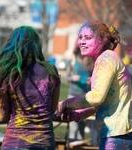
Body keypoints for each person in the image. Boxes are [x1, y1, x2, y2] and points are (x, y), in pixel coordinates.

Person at [57, 20, 132, 150]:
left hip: (117, 135)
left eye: (88, 37)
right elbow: (105, 102)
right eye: (80, 37)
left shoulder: (106, 59)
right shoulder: (106, 58)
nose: (82, 42)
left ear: (102, 40)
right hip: (117, 133)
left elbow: (97, 97)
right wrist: (79, 114)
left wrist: (66, 103)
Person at [0, 26, 60, 150]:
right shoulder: (51, 71)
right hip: (44, 142)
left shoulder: (8, 73)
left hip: (15, 143)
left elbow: (1, 116)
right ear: (36, 46)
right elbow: (51, 109)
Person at [67, 46, 94, 141]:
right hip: (73, 95)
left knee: (82, 122)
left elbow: (93, 77)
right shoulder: (73, 61)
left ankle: (79, 143)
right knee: (73, 122)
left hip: (84, 96)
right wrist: (73, 78)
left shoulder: (90, 61)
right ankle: (71, 142)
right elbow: (67, 77)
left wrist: (90, 80)